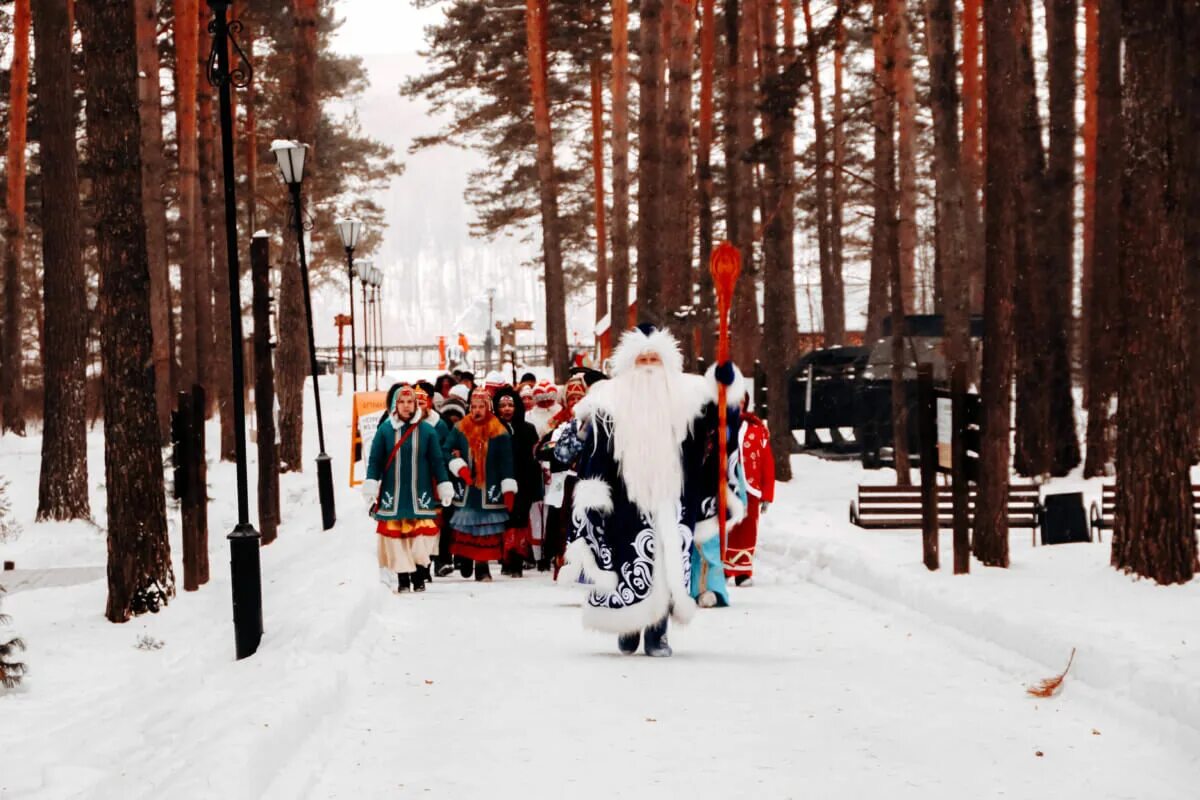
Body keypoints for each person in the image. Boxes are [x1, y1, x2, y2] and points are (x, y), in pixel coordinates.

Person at [561, 324, 742, 657]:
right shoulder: (609, 398)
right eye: (641, 358)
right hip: (626, 497)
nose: (647, 366)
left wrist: (725, 390)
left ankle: (658, 632)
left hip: (675, 495)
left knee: (668, 562)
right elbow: (596, 453)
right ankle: (629, 625)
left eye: (654, 359)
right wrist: (594, 492)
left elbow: (720, 431)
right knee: (628, 559)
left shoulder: (689, 397)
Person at [363, 384, 456, 593]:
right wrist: (370, 485)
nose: (406, 406)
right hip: (393, 495)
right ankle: (403, 578)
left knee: (420, 539)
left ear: (416, 404)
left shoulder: (427, 431)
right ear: (395, 405)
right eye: (402, 402)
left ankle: (419, 574)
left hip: (419, 494)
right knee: (398, 540)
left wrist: (444, 486)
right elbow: (375, 461)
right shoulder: (385, 430)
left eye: (410, 402)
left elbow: (437, 462)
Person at [446, 388, 518, 581]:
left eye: (481, 406)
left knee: (484, 529)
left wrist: (508, 488)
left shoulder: (499, 431)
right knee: (466, 526)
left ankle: (482, 565)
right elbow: (446, 449)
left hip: (489, 487)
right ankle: (465, 558)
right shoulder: (460, 428)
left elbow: (506, 461)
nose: (477, 410)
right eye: (474, 406)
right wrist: (457, 463)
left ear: (488, 408)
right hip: (467, 487)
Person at [723, 396, 775, 586]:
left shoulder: (756, 430)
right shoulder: (719, 425)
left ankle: (743, 571)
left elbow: (767, 463)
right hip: (724, 486)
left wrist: (767, 494)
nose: (738, 405)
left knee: (747, 528)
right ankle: (722, 569)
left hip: (750, 488)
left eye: (741, 402)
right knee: (725, 528)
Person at [493, 386, 543, 577]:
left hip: (524, 482)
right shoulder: (492, 428)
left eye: (510, 405)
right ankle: (506, 559)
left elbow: (534, 460)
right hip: (500, 483)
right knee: (505, 521)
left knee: (520, 521)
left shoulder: (528, 429)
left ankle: (517, 560)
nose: (506, 409)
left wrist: (535, 488)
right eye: (502, 405)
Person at [433, 391, 468, 577]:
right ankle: (443, 559)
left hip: (462, 480)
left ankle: (462, 557)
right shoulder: (440, 432)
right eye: (450, 418)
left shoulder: (465, 432)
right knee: (446, 521)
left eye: (457, 419)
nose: (453, 422)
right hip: (444, 479)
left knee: (460, 520)